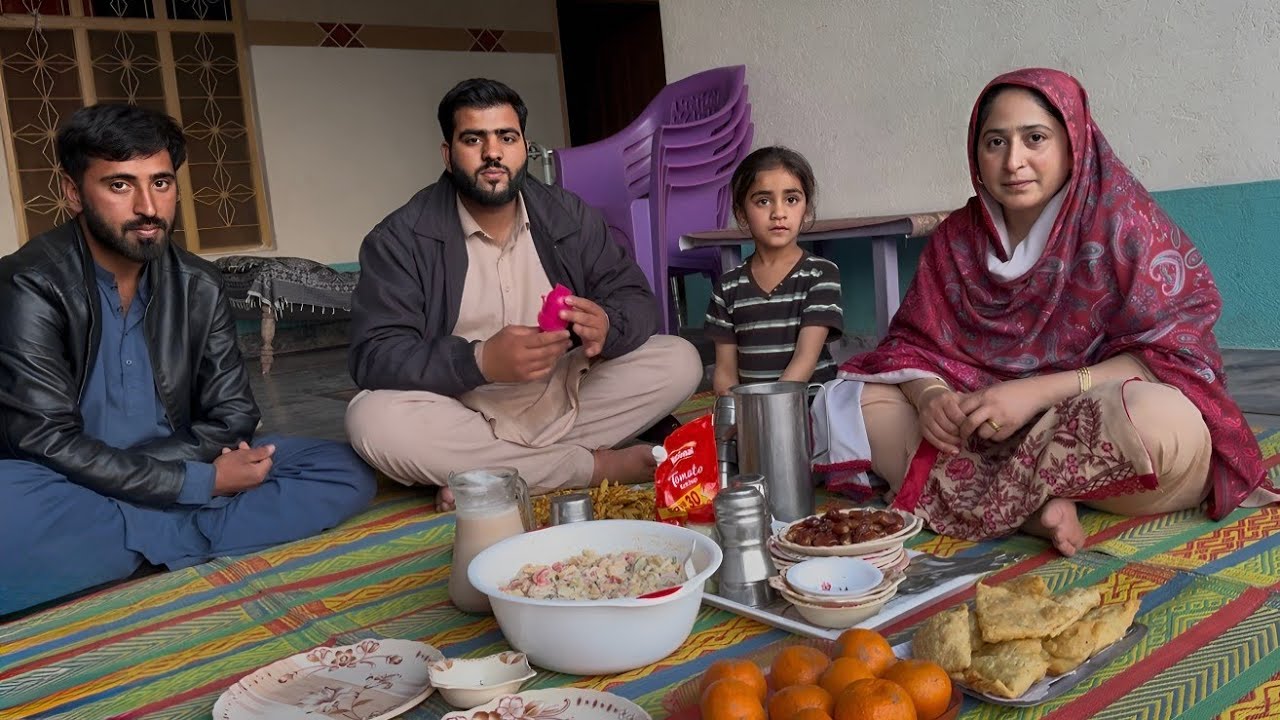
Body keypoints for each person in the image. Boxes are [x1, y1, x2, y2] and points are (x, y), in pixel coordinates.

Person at [814, 68, 1275, 556]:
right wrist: (930, 398)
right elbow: (912, 345)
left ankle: (991, 501)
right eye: (995, 142)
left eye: (1035, 138)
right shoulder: (957, 239)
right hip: (984, 428)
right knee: (852, 400)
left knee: (1163, 423)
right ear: (976, 152)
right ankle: (1034, 507)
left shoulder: (1122, 223)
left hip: (1086, 414)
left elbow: (1171, 354)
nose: (1014, 161)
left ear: (1073, 141)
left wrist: (1032, 394)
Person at [0, 103, 377, 615]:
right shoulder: (30, 283)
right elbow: (45, 442)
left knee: (340, 468)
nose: (147, 207)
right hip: (63, 480)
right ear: (73, 193)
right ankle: (188, 531)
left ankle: (125, 548)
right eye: (119, 185)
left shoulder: (197, 283)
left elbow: (234, 414)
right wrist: (200, 484)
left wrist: (178, 474)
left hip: (170, 460)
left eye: (160, 183)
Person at [345, 78, 702, 508]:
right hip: (462, 407)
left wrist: (608, 325)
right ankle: (593, 467)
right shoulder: (401, 238)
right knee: (372, 421)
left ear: (523, 147)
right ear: (448, 153)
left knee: (678, 360)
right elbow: (376, 353)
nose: (492, 153)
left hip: (567, 393)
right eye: (473, 138)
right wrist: (479, 360)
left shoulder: (568, 215)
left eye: (506, 138)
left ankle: (487, 475)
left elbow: (633, 296)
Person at [704, 147, 844, 394]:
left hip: (813, 407)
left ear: (807, 209)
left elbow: (805, 360)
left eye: (791, 200)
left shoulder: (820, 275)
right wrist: (736, 418)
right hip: (754, 413)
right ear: (742, 214)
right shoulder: (727, 287)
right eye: (763, 201)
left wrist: (768, 414)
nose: (778, 213)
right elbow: (726, 371)